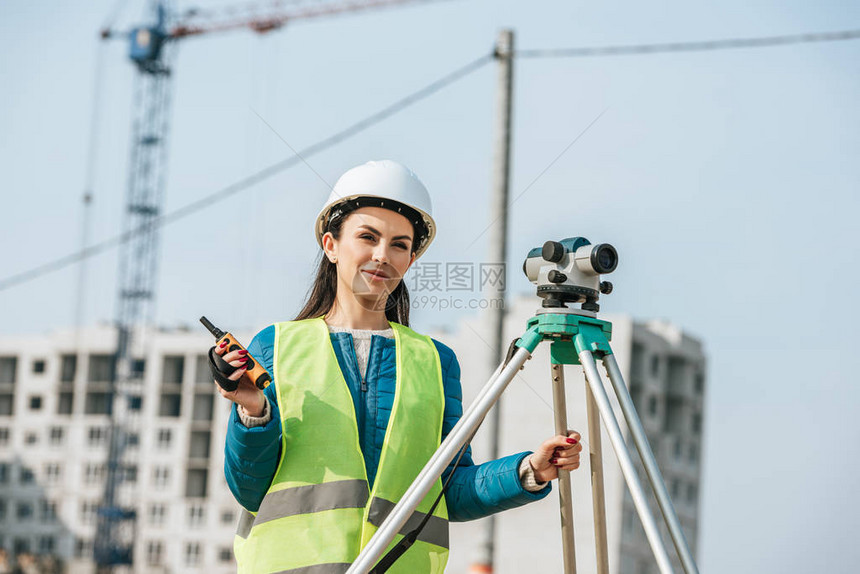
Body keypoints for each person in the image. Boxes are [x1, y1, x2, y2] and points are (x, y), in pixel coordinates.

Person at [212, 160, 583, 573]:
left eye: (399, 245)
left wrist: (528, 470)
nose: (381, 255)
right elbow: (249, 488)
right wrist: (253, 412)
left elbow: (448, 490)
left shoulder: (435, 362)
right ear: (331, 245)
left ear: (410, 259)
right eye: (367, 237)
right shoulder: (276, 346)